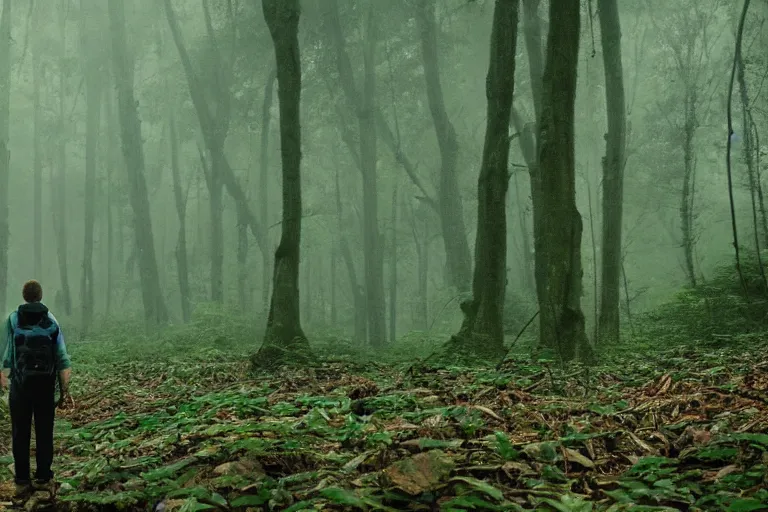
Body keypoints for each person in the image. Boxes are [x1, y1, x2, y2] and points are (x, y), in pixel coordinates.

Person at [0, 280, 72, 501]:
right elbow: (62, 359)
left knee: (20, 432)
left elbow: (3, 351)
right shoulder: (51, 320)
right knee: (44, 431)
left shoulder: (12, 319)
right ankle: (43, 477)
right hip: (45, 386)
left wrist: (3, 378)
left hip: (20, 385)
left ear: (24, 296)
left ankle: (22, 481)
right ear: (40, 296)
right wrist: (65, 392)